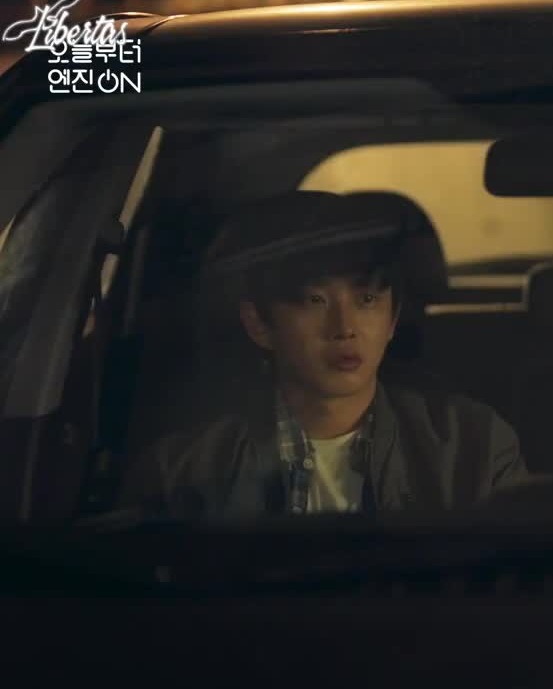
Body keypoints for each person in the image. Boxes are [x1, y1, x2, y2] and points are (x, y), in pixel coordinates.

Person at [119, 191, 527, 521]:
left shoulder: (474, 448)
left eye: (367, 300)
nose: (344, 327)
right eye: (314, 300)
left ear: (392, 320)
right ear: (259, 324)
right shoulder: (181, 473)